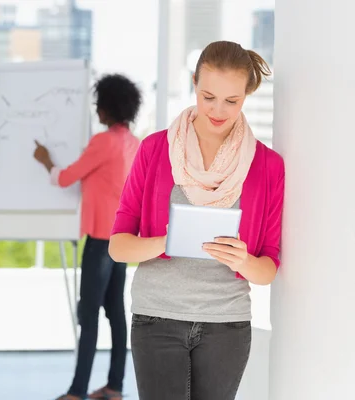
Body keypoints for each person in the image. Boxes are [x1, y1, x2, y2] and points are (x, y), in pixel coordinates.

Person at [108, 41, 285, 400]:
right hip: (156, 317)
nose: (218, 110)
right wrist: (167, 240)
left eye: (231, 101)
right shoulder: (155, 149)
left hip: (227, 323)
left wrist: (243, 260)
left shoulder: (267, 166)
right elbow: (118, 246)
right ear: (193, 83)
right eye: (208, 97)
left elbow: (268, 268)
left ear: (247, 96)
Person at [33, 74, 142, 400]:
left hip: (99, 241)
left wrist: (46, 160)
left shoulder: (103, 142)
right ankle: (115, 386)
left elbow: (66, 178)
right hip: (121, 239)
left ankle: (77, 391)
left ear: (109, 107)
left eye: (99, 104)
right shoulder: (132, 143)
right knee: (116, 314)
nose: (96, 110)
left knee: (89, 314)